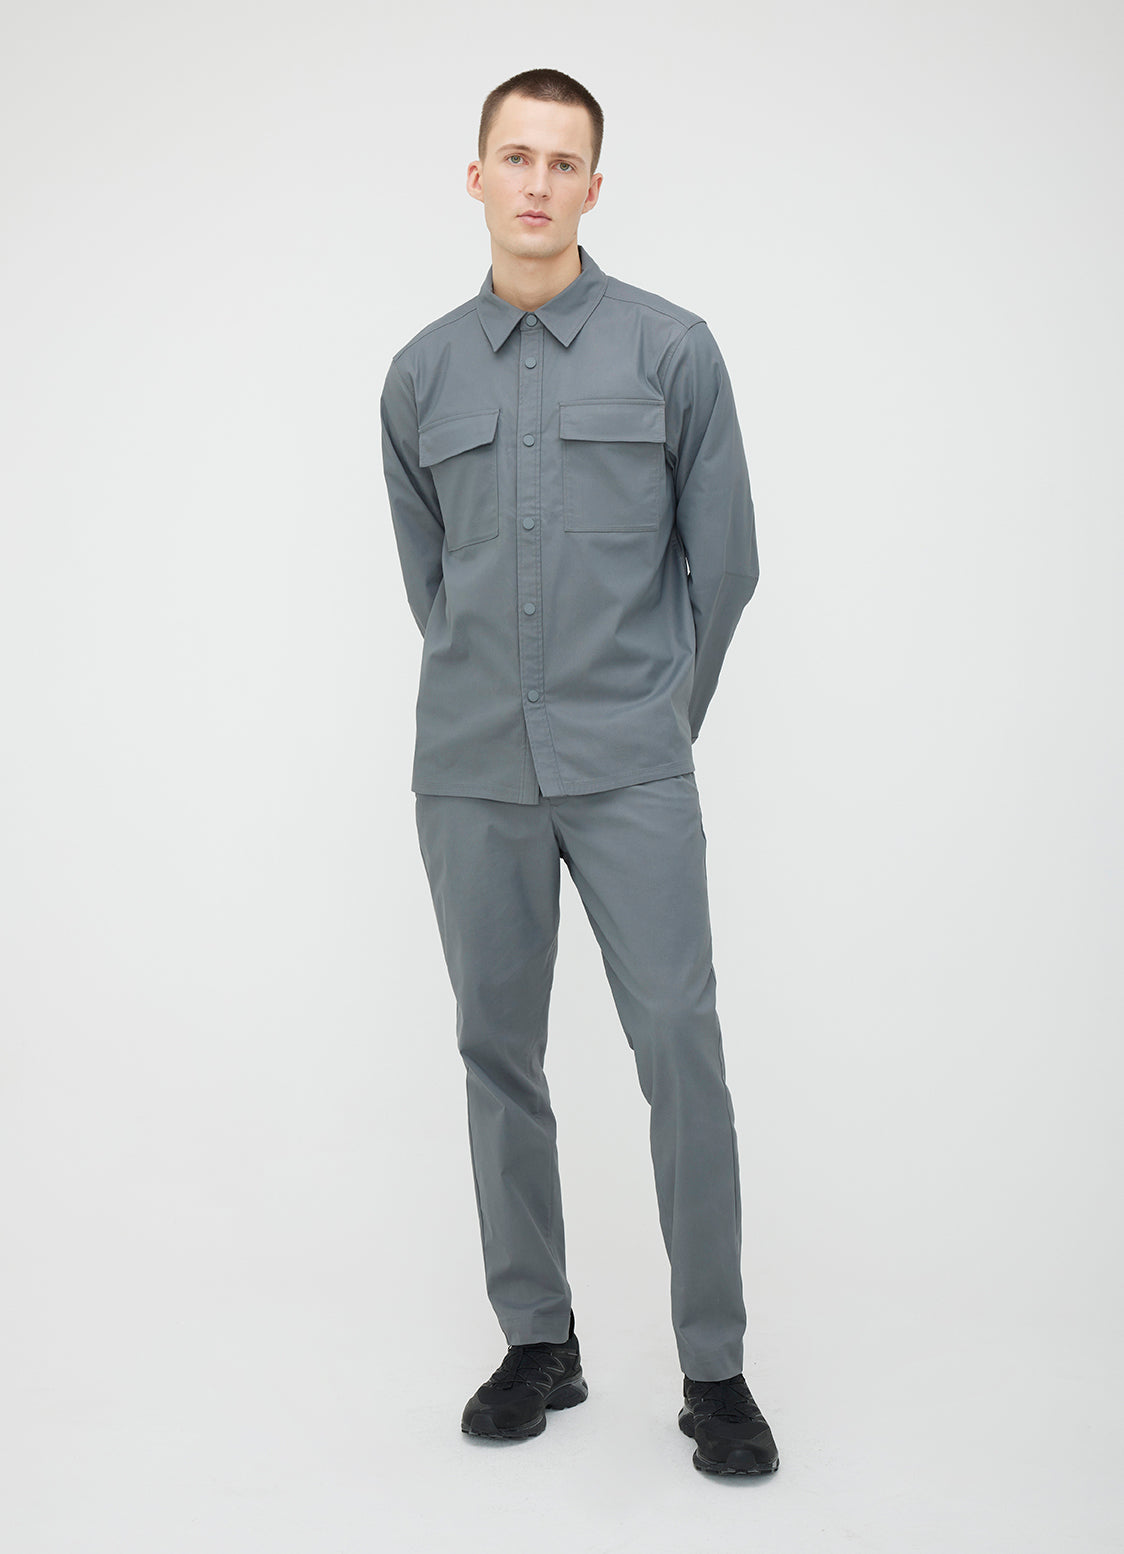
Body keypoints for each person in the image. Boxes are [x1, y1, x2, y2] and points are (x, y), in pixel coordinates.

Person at [378, 67, 779, 1478]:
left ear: (595, 187)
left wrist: (656, 722)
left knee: (680, 1045)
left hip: (631, 769)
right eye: (515, 156)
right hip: (471, 767)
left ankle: (715, 1368)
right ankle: (538, 1339)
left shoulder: (674, 352)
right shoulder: (420, 376)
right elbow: (432, 582)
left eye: (563, 162)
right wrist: (494, 698)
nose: (537, 183)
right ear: (476, 176)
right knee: (498, 1051)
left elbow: (725, 568)